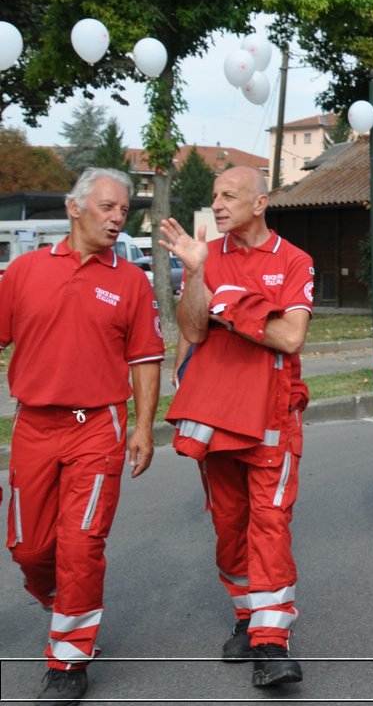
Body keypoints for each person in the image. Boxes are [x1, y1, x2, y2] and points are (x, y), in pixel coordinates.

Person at [0, 168, 164, 702]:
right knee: (28, 550)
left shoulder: (131, 281)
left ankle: (69, 660)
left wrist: (143, 426)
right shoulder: (22, 273)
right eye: (108, 207)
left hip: (99, 426)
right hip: (33, 426)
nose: (118, 218)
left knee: (81, 544)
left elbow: (144, 358)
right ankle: (59, 598)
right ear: (75, 208)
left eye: (123, 210)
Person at [159, 166, 315, 689]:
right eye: (214, 196)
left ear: (261, 201)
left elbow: (291, 336)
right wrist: (200, 276)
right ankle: (247, 617)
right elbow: (192, 328)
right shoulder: (208, 255)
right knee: (230, 524)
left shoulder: (294, 260)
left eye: (229, 195)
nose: (218, 204)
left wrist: (226, 302)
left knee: (269, 523)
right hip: (215, 414)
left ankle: (272, 641)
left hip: (273, 414)